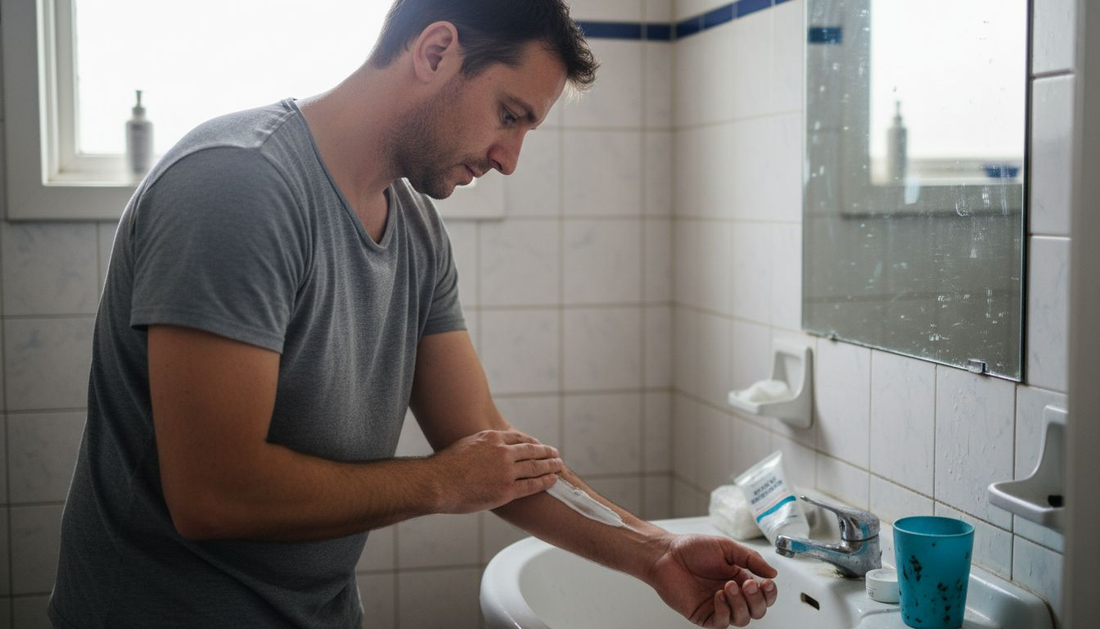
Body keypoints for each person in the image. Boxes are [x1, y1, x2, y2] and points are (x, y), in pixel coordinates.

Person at [49, 1, 779, 627]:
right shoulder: (237, 187)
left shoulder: (418, 233)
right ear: (435, 51)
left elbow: (488, 453)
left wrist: (655, 553)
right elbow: (213, 493)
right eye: (509, 115)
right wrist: (438, 481)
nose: (509, 158)